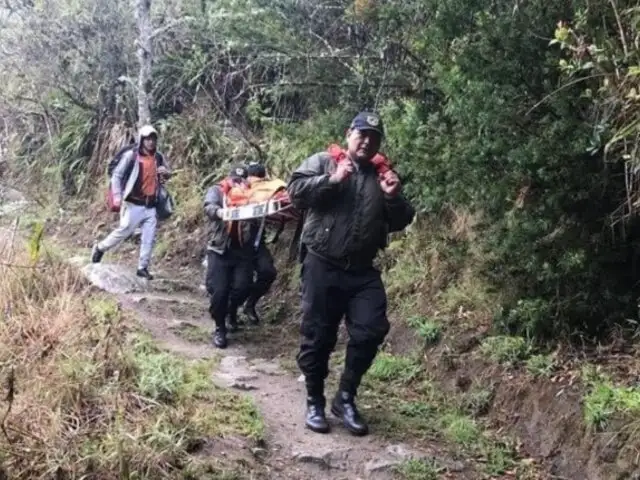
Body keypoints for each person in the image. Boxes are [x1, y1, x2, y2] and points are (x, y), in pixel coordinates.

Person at [286, 111, 415, 436]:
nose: (367, 141)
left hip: (362, 269)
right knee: (318, 335)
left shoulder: (383, 175)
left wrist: (394, 197)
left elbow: (402, 220)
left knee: (372, 328)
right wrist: (331, 181)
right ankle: (315, 400)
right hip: (321, 262)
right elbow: (295, 193)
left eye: (374, 137)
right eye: (362, 134)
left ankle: (345, 396)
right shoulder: (323, 162)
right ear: (349, 134)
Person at [91, 125, 171, 280]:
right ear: (142, 139)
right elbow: (117, 176)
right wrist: (117, 196)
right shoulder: (131, 156)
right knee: (124, 230)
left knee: (149, 237)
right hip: (133, 203)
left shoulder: (158, 157)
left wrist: (166, 174)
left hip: (151, 205)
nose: (151, 142)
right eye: (147, 139)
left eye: (153, 139)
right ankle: (100, 248)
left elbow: (165, 176)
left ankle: (143, 267)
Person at [203, 164, 258, 348]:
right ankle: (220, 327)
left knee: (243, 287)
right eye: (235, 180)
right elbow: (209, 206)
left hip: (242, 251)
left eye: (242, 181)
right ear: (229, 179)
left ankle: (232, 310)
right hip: (220, 249)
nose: (238, 184)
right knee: (219, 292)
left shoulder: (252, 195)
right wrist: (219, 212)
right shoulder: (217, 191)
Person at [241, 161, 278, 324]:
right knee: (240, 280)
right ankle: (229, 312)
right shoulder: (239, 191)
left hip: (258, 242)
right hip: (239, 242)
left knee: (268, 272)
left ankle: (250, 304)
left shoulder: (268, 192)